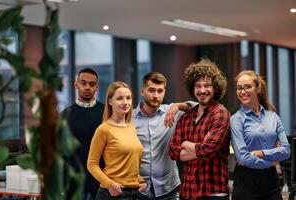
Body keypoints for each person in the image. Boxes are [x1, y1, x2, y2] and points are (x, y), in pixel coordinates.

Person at [169, 58, 231, 200]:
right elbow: (173, 151)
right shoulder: (186, 117)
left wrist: (185, 144)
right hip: (187, 192)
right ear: (193, 88)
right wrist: (199, 149)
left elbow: (207, 150)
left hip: (213, 193)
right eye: (198, 86)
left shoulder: (220, 113)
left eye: (207, 85)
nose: (202, 90)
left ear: (215, 88)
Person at [132, 72, 194, 200]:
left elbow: (199, 108)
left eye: (160, 91)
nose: (156, 95)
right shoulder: (130, 118)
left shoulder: (172, 112)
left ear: (164, 92)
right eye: (151, 90)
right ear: (142, 91)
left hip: (168, 189)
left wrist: (178, 105)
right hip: (138, 189)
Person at [230, 70, 291, 200]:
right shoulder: (236, 119)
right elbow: (243, 158)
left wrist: (261, 153)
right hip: (246, 182)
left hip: (271, 182)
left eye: (247, 87)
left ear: (257, 89)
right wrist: (270, 162)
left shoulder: (273, 117)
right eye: (239, 88)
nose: (242, 91)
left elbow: (286, 151)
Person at [87, 81, 147, 200]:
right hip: (112, 193)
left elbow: (128, 161)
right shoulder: (103, 129)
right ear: (110, 101)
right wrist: (110, 184)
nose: (125, 102)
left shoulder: (131, 128)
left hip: (133, 193)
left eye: (128, 98)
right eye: (119, 98)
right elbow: (91, 164)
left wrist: (140, 180)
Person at [62, 68, 104, 200]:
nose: (87, 87)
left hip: (103, 182)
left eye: (92, 84)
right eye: (83, 83)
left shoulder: (107, 113)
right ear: (76, 84)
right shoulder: (64, 116)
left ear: (97, 87)